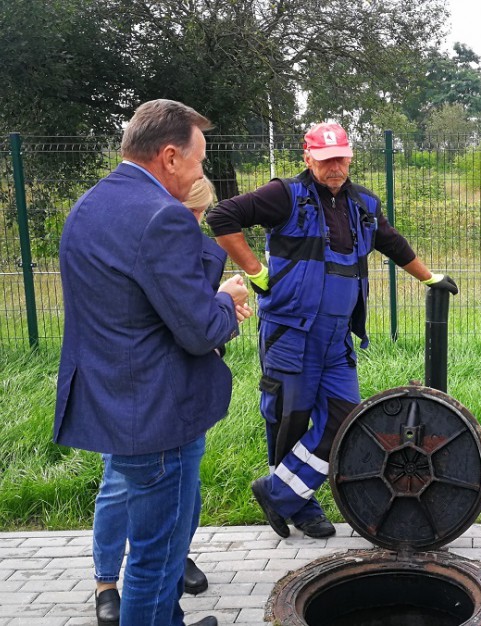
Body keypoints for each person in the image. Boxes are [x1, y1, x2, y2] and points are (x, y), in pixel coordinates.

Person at [206, 121, 458, 539]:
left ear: (350, 157)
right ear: (308, 159)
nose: (334, 167)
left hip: (337, 337)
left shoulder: (363, 204)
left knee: (345, 419)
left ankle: (279, 493)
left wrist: (429, 278)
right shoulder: (284, 196)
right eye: (325, 160)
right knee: (289, 419)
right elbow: (222, 216)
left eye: (340, 158)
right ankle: (301, 507)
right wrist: (256, 271)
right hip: (290, 332)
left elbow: (393, 243)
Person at [55, 100, 250, 626]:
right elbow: (199, 332)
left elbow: (131, 305)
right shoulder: (162, 216)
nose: (199, 172)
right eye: (198, 160)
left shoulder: (91, 204)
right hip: (158, 413)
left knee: (153, 550)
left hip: (115, 403)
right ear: (168, 156)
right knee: (155, 558)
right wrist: (227, 300)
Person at [88, 177, 243, 625]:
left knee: (172, 513)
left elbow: (184, 317)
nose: (197, 225)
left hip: (151, 395)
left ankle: (170, 580)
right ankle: (107, 582)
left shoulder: (133, 222)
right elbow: (187, 326)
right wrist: (223, 303)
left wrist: (218, 308)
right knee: (126, 502)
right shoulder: (155, 231)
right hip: (145, 401)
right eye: (194, 213)